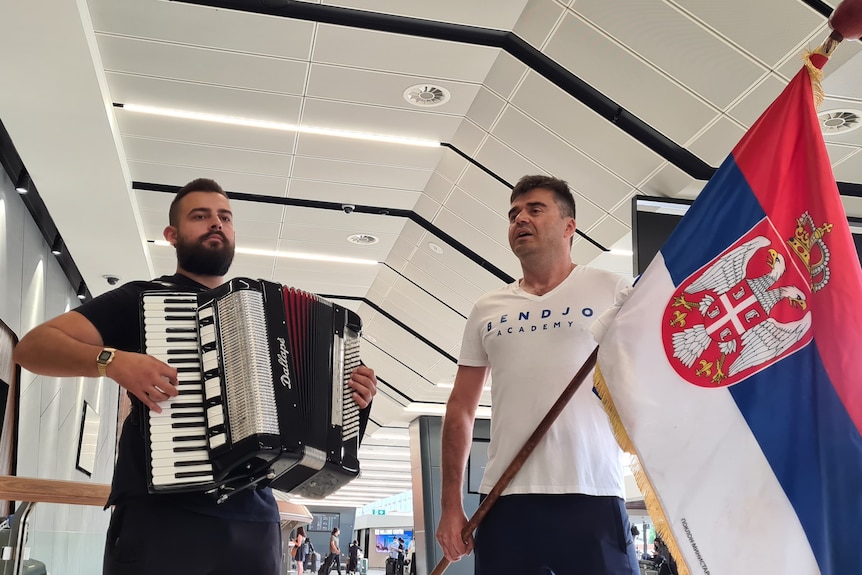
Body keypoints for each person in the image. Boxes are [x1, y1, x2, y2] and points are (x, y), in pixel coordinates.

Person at [12, 178, 378, 575]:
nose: (215, 224)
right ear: (172, 235)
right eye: (200, 216)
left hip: (253, 525)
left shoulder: (268, 317)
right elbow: (33, 347)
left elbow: (317, 448)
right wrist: (112, 361)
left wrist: (354, 399)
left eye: (224, 217)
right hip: (162, 521)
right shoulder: (141, 300)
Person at [435, 175, 639, 575]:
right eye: (513, 214)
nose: (520, 219)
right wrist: (449, 506)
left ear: (569, 226)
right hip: (505, 499)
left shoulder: (615, 292)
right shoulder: (487, 309)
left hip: (593, 492)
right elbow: (460, 409)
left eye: (534, 209)